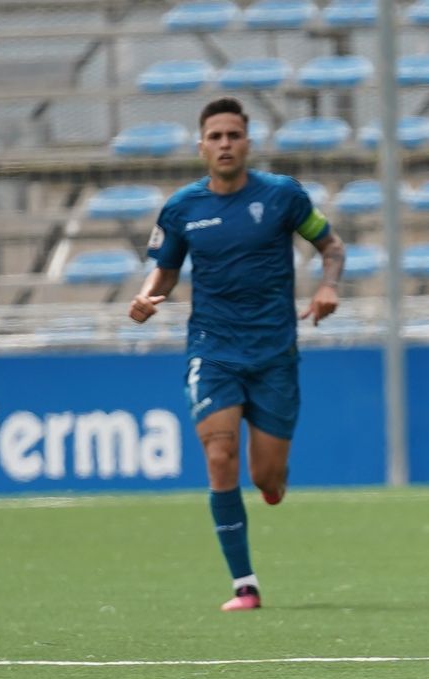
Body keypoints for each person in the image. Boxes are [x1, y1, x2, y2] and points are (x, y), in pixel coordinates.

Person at [128, 96, 345, 612]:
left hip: (274, 352)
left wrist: (328, 286)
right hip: (214, 349)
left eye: (234, 135)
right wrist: (145, 294)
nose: (225, 144)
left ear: (247, 142)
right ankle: (244, 584)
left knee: (268, 479)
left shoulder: (282, 197)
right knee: (220, 457)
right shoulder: (182, 208)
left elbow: (331, 246)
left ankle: (272, 483)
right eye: (216, 136)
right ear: (200, 146)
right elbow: (165, 266)